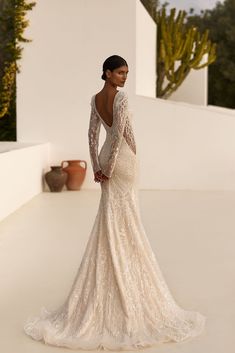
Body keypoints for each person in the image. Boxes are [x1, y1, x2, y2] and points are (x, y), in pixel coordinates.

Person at [23, 55, 206, 351]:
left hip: (107, 158)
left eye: (126, 73)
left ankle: (112, 275)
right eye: (120, 72)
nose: (124, 77)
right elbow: (123, 133)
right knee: (129, 218)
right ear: (107, 73)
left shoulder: (95, 99)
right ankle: (126, 277)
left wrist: (98, 164)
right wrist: (122, 161)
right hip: (123, 162)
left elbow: (93, 135)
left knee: (111, 218)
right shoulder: (120, 99)